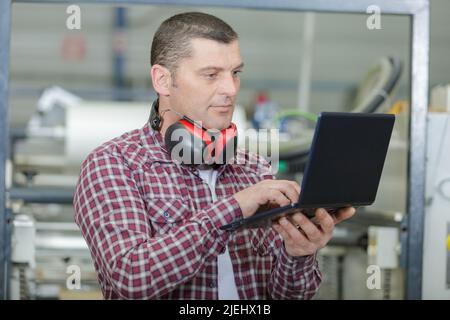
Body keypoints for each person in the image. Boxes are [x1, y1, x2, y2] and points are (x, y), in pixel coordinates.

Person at [73, 12, 355, 300]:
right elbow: (132, 278)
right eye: (211, 75)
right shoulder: (113, 164)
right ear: (162, 80)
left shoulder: (253, 170)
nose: (230, 89)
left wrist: (298, 254)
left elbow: (287, 296)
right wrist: (234, 207)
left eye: (235, 73)